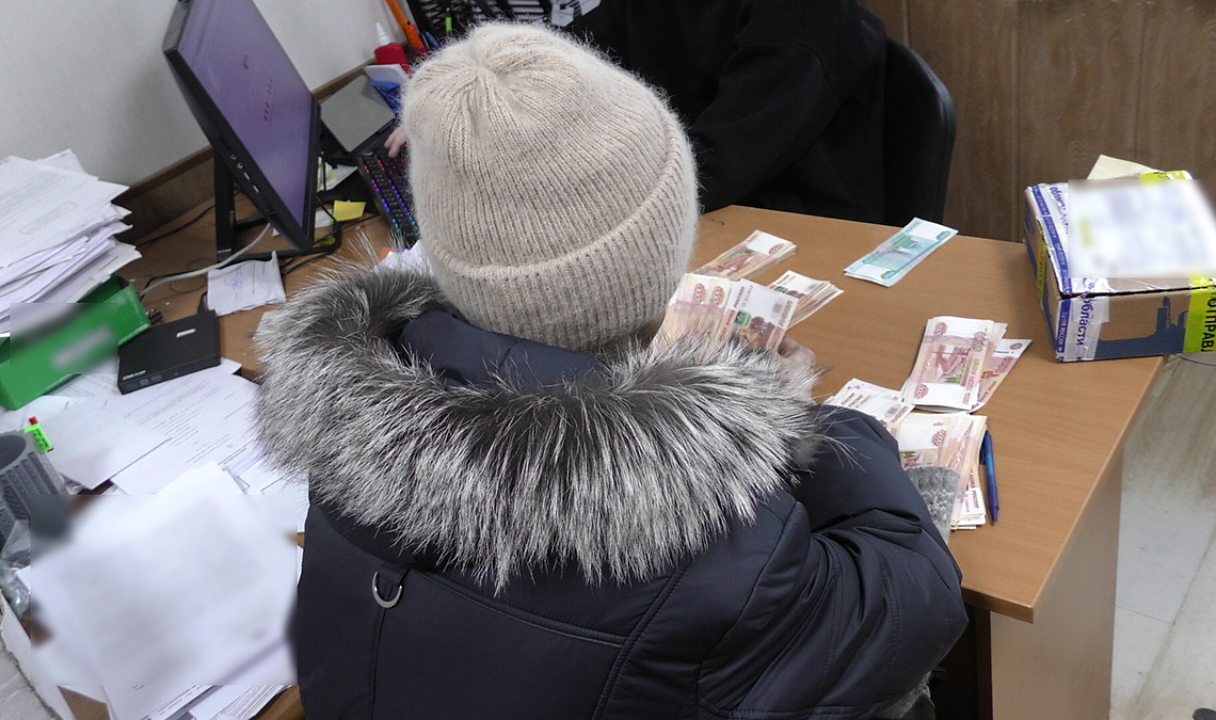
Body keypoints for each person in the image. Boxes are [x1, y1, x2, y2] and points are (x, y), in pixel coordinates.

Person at [260, 23, 964, 720]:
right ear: (659, 259)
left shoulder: (344, 428)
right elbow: (917, 601)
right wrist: (792, 421)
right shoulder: (718, 545)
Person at [576, 0, 888, 222]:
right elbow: (584, 72)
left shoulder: (802, 13)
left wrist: (590, 196)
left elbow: (726, 162)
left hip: (793, 224)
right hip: (685, 199)